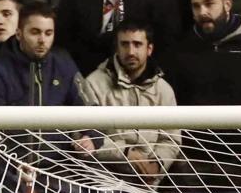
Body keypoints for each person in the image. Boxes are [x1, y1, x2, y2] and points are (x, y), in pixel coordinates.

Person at [77, 22, 180, 184]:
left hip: (149, 184)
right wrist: (125, 152)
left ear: (149, 49)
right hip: (103, 182)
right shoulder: (93, 83)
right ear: (116, 48)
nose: (131, 52)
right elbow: (86, 138)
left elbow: (171, 140)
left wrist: (158, 164)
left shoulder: (164, 90)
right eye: (125, 45)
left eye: (137, 44)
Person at [0, 2, 84, 107]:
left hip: (61, 129)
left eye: (48, 33)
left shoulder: (64, 64)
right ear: (19, 34)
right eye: (35, 32)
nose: (42, 40)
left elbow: (88, 112)